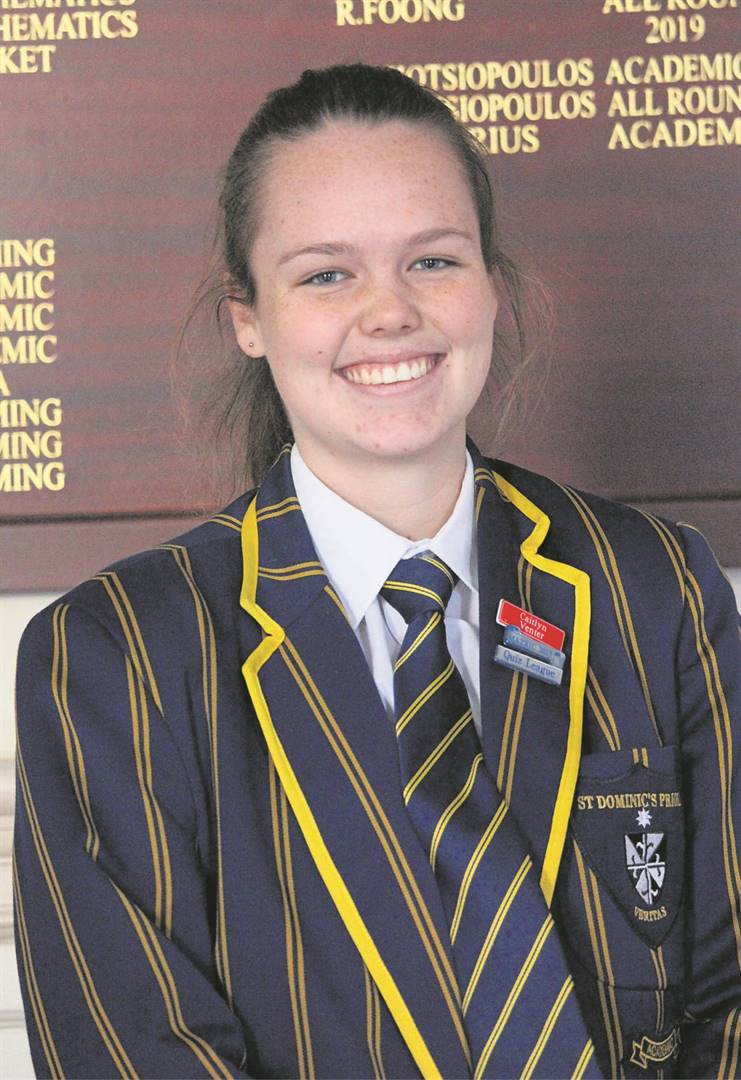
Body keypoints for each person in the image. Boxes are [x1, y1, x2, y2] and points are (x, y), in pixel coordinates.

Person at [13, 63, 740, 1080]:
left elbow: (726, 999)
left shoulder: (658, 588)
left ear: (491, 282)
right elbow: (132, 1055)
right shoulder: (116, 654)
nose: (390, 312)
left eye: (433, 260)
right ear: (248, 317)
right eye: (326, 275)